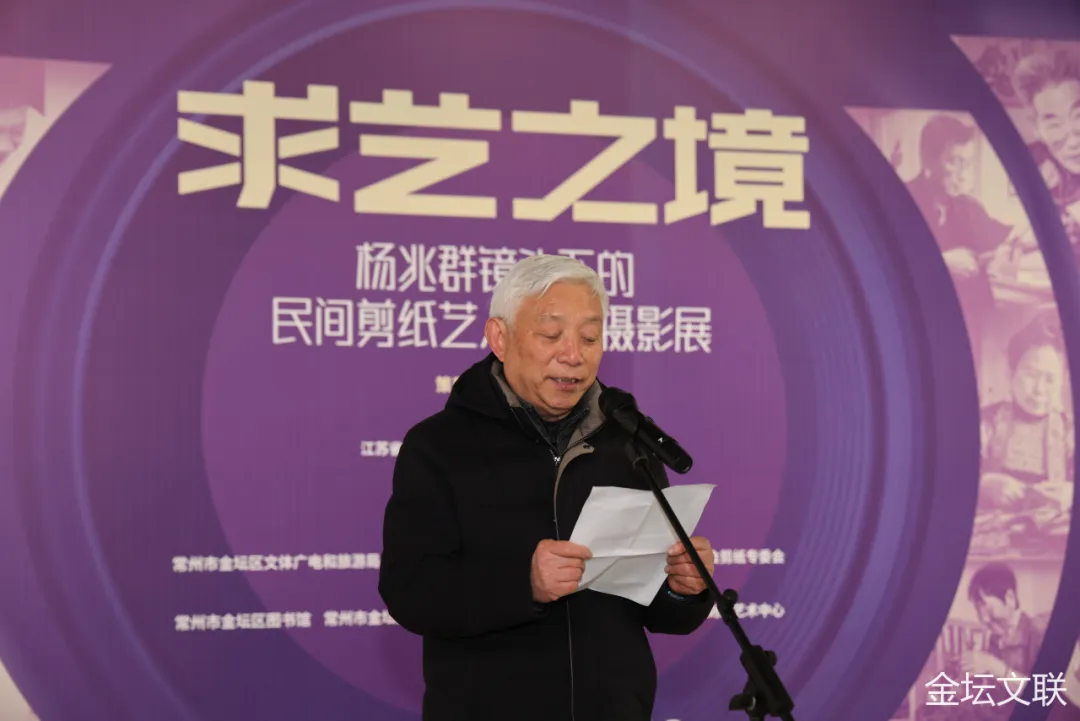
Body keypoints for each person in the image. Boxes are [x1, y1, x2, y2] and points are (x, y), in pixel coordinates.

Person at [379, 254, 716, 721]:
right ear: (500, 338)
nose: (574, 355)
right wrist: (525, 584)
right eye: (551, 335)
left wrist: (683, 588)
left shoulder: (626, 442)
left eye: (590, 338)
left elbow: (659, 613)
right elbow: (410, 591)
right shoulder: (439, 445)